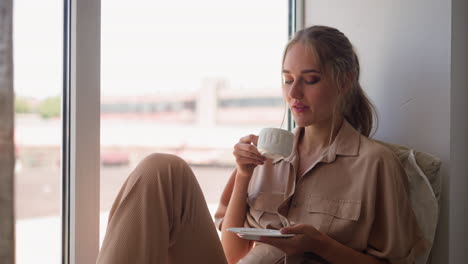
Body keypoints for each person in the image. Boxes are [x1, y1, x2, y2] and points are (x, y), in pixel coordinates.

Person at [96, 25, 428, 264]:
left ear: (344, 81)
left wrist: (321, 246)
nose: (294, 94)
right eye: (287, 80)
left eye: (310, 80)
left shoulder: (376, 164)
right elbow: (232, 255)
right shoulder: (267, 157)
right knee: (161, 168)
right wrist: (243, 175)